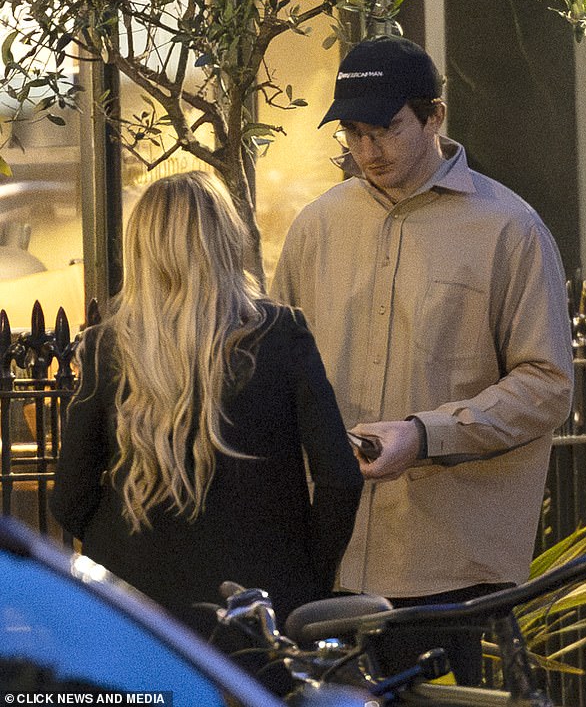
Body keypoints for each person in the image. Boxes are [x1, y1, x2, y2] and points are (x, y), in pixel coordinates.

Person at [271, 35, 573, 685]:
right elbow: (275, 378)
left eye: (386, 129)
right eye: (353, 132)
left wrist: (425, 435)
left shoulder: (509, 230)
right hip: (330, 557)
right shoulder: (314, 229)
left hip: (447, 569)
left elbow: (547, 386)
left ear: (434, 115)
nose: (367, 150)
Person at [51, 171, 363, 642]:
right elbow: (339, 476)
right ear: (226, 241)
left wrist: (121, 548)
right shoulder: (281, 335)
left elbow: (68, 498)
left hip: (136, 613)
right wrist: (307, 578)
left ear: (140, 250)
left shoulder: (106, 348)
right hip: (257, 609)